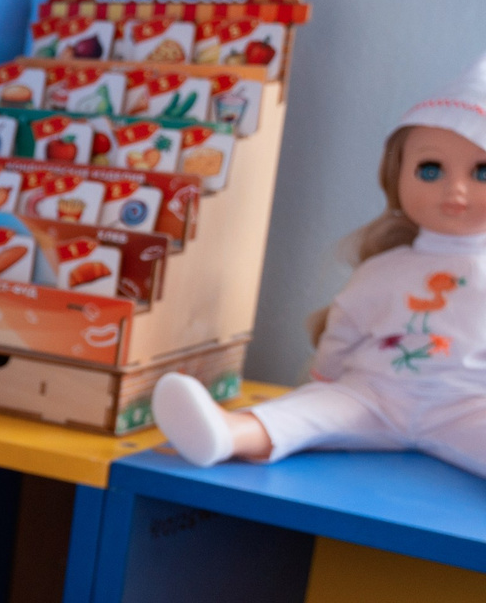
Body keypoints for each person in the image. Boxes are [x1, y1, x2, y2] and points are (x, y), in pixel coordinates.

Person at [154, 59, 486, 477]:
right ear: (396, 174)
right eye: (430, 169)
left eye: (481, 172)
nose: (455, 189)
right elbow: (344, 327)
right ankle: (226, 433)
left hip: (470, 404)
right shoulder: (384, 268)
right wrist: (325, 381)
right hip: (372, 395)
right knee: (306, 412)